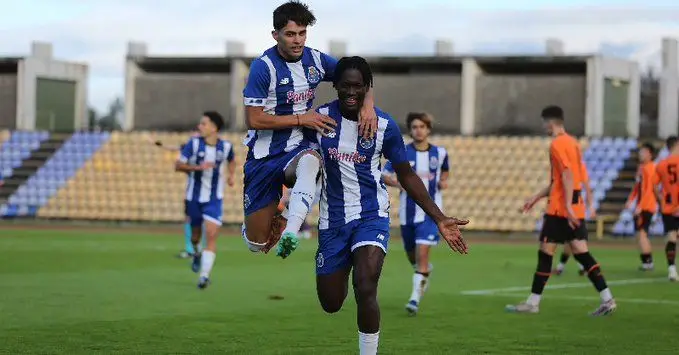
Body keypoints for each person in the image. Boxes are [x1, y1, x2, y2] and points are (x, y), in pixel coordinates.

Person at [306, 56, 469, 355]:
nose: (351, 92)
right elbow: (301, 162)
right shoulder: (319, 120)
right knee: (331, 302)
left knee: (366, 286)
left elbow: (405, 174)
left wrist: (439, 217)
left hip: (372, 215)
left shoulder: (384, 125)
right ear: (335, 86)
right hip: (332, 221)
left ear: (368, 88)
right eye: (345, 86)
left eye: (358, 86)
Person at [241, 0, 378, 259]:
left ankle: (291, 227)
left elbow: (357, 74)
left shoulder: (315, 59)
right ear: (276, 35)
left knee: (311, 161)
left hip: (298, 147)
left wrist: (368, 104)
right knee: (258, 245)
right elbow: (254, 120)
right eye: (290, 34)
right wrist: (302, 118)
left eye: (302, 33)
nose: (297, 40)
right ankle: (272, 220)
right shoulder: (263, 67)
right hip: (262, 155)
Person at [508, 105, 616, 316]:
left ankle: (533, 302)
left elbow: (566, 175)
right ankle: (608, 299)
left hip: (560, 210)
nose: (543, 127)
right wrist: (536, 197)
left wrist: (565, 206)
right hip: (574, 206)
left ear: (549, 122)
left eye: (543, 123)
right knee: (582, 254)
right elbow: (564, 179)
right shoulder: (573, 143)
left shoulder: (557, 144)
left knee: (545, 252)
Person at [381, 112, 449, 316]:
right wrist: (397, 183)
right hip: (407, 214)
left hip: (431, 214)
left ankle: (414, 299)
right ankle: (423, 272)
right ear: (410, 130)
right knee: (412, 255)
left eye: (422, 126)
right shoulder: (401, 153)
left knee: (421, 254)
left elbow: (445, 170)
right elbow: (383, 174)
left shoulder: (440, 153)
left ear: (428, 129)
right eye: (415, 127)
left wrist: (444, 180)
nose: (418, 130)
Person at [175, 112, 236, 289]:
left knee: (211, 235)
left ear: (214, 128)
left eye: (203, 124)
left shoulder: (225, 147)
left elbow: (231, 160)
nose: (199, 127)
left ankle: (204, 276)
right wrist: (197, 167)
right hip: (193, 198)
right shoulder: (193, 144)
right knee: (195, 237)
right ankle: (196, 253)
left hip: (214, 199)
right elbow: (177, 165)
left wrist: (231, 176)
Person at [147, 133, 206, 259]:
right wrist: (157, 143)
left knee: (198, 220)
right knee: (191, 219)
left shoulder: (207, 150)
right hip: (192, 192)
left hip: (202, 192)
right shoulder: (190, 149)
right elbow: (173, 148)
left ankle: (197, 249)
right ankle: (193, 249)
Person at [553, 159, 596, 276]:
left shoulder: (579, 166)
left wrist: (591, 207)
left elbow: (587, 188)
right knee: (571, 241)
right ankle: (578, 267)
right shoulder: (564, 166)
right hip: (568, 211)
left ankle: (587, 267)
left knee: (577, 243)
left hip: (576, 211)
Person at [625, 142, 659, 271]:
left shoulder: (649, 168)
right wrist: (631, 199)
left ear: (650, 154)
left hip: (646, 206)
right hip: (643, 205)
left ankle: (648, 262)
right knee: (640, 234)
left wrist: (639, 206)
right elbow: (637, 187)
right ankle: (647, 262)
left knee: (642, 234)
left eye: (644, 152)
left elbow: (647, 189)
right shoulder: (642, 167)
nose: (641, 154)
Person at [654, 136, 679, 281]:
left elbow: (654, 186)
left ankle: (671, 270)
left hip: (668, 206)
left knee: (671, 236)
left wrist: (661, 200)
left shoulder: (661, 164)